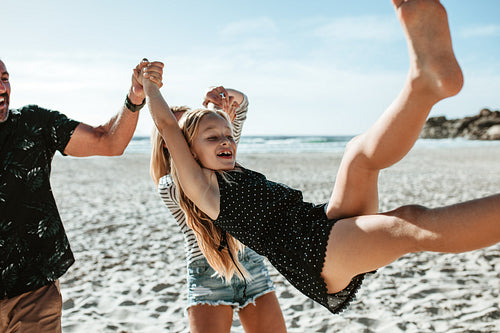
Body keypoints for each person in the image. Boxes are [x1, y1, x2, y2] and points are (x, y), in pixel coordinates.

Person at [141, 0, 500, 317]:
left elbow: (235, 115)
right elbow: (168, 127)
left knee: (359, 155)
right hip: (315, 254)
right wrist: (150, 86)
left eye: (227, 135)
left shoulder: (230, 167)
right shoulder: (201, 187)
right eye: (213, 138)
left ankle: (425, 84)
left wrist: (231, 101)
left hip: (321, 221)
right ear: (187, 152)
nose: (226, 142)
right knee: (408, 222)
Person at [0, 59, 162, 332]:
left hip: (32, 293)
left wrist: (134, 98)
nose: (3, 87)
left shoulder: (34, 124)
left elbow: (108, 141)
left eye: (5, 78)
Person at [150, 86, 286, 333]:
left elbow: (241, 108)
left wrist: (221, 100)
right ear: (171, 143)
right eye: (181, 134)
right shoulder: (169, 186)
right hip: (207, 276)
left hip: (252, 267)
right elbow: (196, 175)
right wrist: (213, 112)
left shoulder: (223, 159)